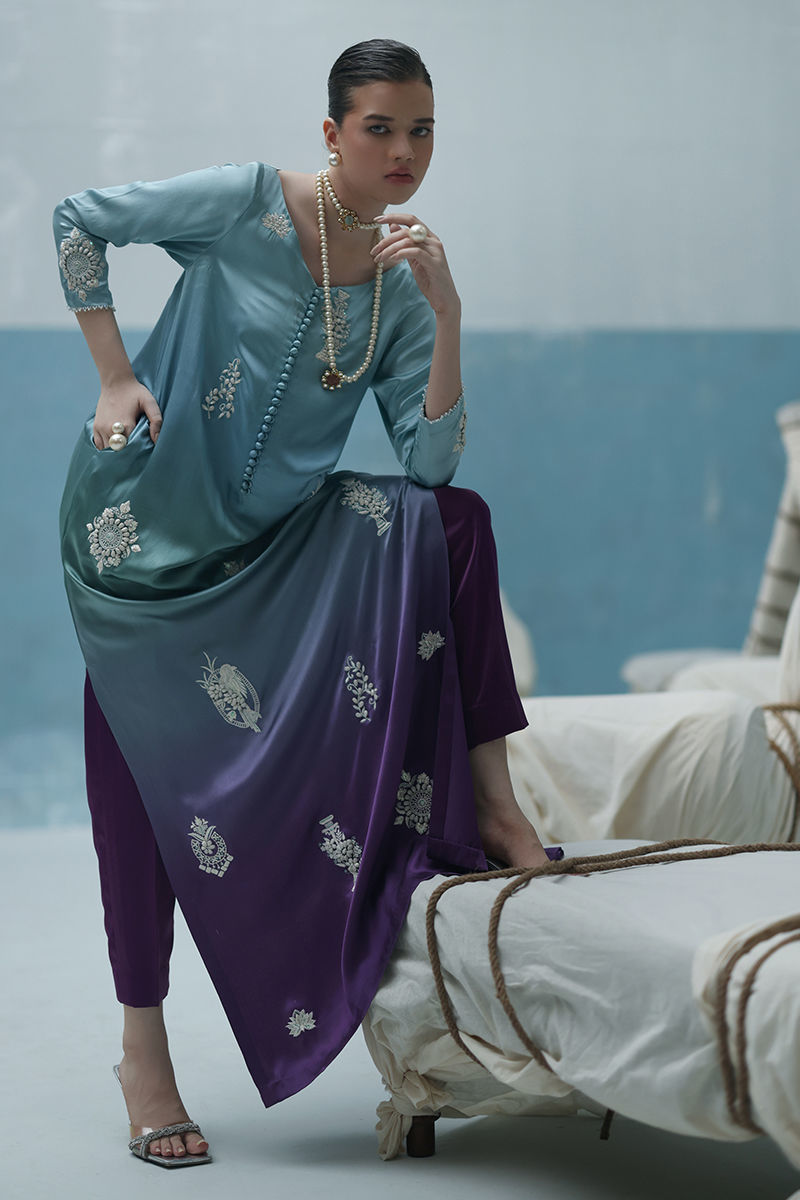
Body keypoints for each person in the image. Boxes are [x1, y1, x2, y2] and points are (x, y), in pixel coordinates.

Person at [54, 38, 555, 1167]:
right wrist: (115, 373)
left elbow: (428, 465)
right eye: (380, 128)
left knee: (456, 521)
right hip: (144, 537)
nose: (404, 152)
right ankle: (143, 1046)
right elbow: (78, 218)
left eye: (422, 131)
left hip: (277, 544)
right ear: (332, 134)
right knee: (136, 766)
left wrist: (447, 312)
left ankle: (496, 808)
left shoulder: (401, 282)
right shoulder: (244, 205)